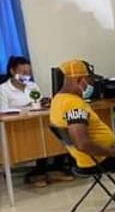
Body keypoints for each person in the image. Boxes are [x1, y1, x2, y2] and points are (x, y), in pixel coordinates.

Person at [1, 56, 73, 187]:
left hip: (37, 122)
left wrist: (44, 103)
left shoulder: (32, 86)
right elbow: (3, 111)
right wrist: (25, 108)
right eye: (23, 72)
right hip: (17, 128)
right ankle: (36, 174)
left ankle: (54, 170)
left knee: (56, 131)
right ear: (12, 71)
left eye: (28, 73)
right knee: (38, 137)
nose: (26, 76)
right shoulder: (3, 89)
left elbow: (38, 103)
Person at [49, 60, 115, 173]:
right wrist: (112, 152)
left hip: (97, 155)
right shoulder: (73, 104)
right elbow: (82, 144)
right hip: (100, 159)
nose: (92, 85)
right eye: (90, 81)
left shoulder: (58, 100)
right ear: (80, 80)